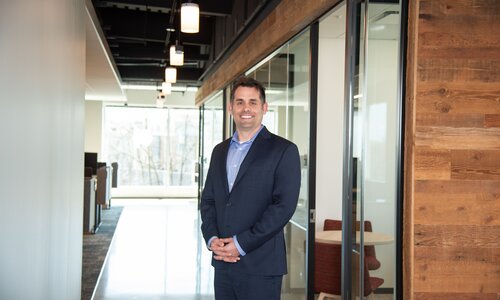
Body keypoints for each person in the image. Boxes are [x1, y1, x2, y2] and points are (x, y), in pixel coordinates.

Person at [200, 76, 301, 299]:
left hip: (261, 267)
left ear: (264, 108)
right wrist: (212, 238)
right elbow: (208, 200)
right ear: (230, 108)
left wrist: (240, 244)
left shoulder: (284, 150)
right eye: (239, 102)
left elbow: (283, 207)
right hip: (223, 264)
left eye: (253, 102)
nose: (246, 108)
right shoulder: (219, 151)